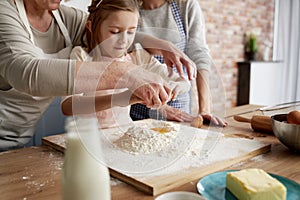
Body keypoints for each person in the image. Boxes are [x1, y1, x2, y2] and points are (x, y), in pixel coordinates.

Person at [0, 0, 196, 151]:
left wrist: (162, 45)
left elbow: (115, 25)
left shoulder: (64, 17)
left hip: (20, 137)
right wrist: (124, 75)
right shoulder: (4, 12)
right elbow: (27, 73)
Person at [61, 0, 192, 129]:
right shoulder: (81, 57)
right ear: (91, 27)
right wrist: (124, 98)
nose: (123, 41)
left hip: (123, 133)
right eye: (115, 32)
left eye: (131, 32)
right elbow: (68, 107)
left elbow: (183, 82)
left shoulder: (137, 57)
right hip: (87, 138)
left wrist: (171, 88)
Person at [130, 0, 228, 126]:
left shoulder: (185, 5)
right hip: (136, 114)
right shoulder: (127, 5)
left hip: (178, 113)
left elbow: (199, 55)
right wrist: (164, 46)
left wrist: (205, 110)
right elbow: (125, 38)